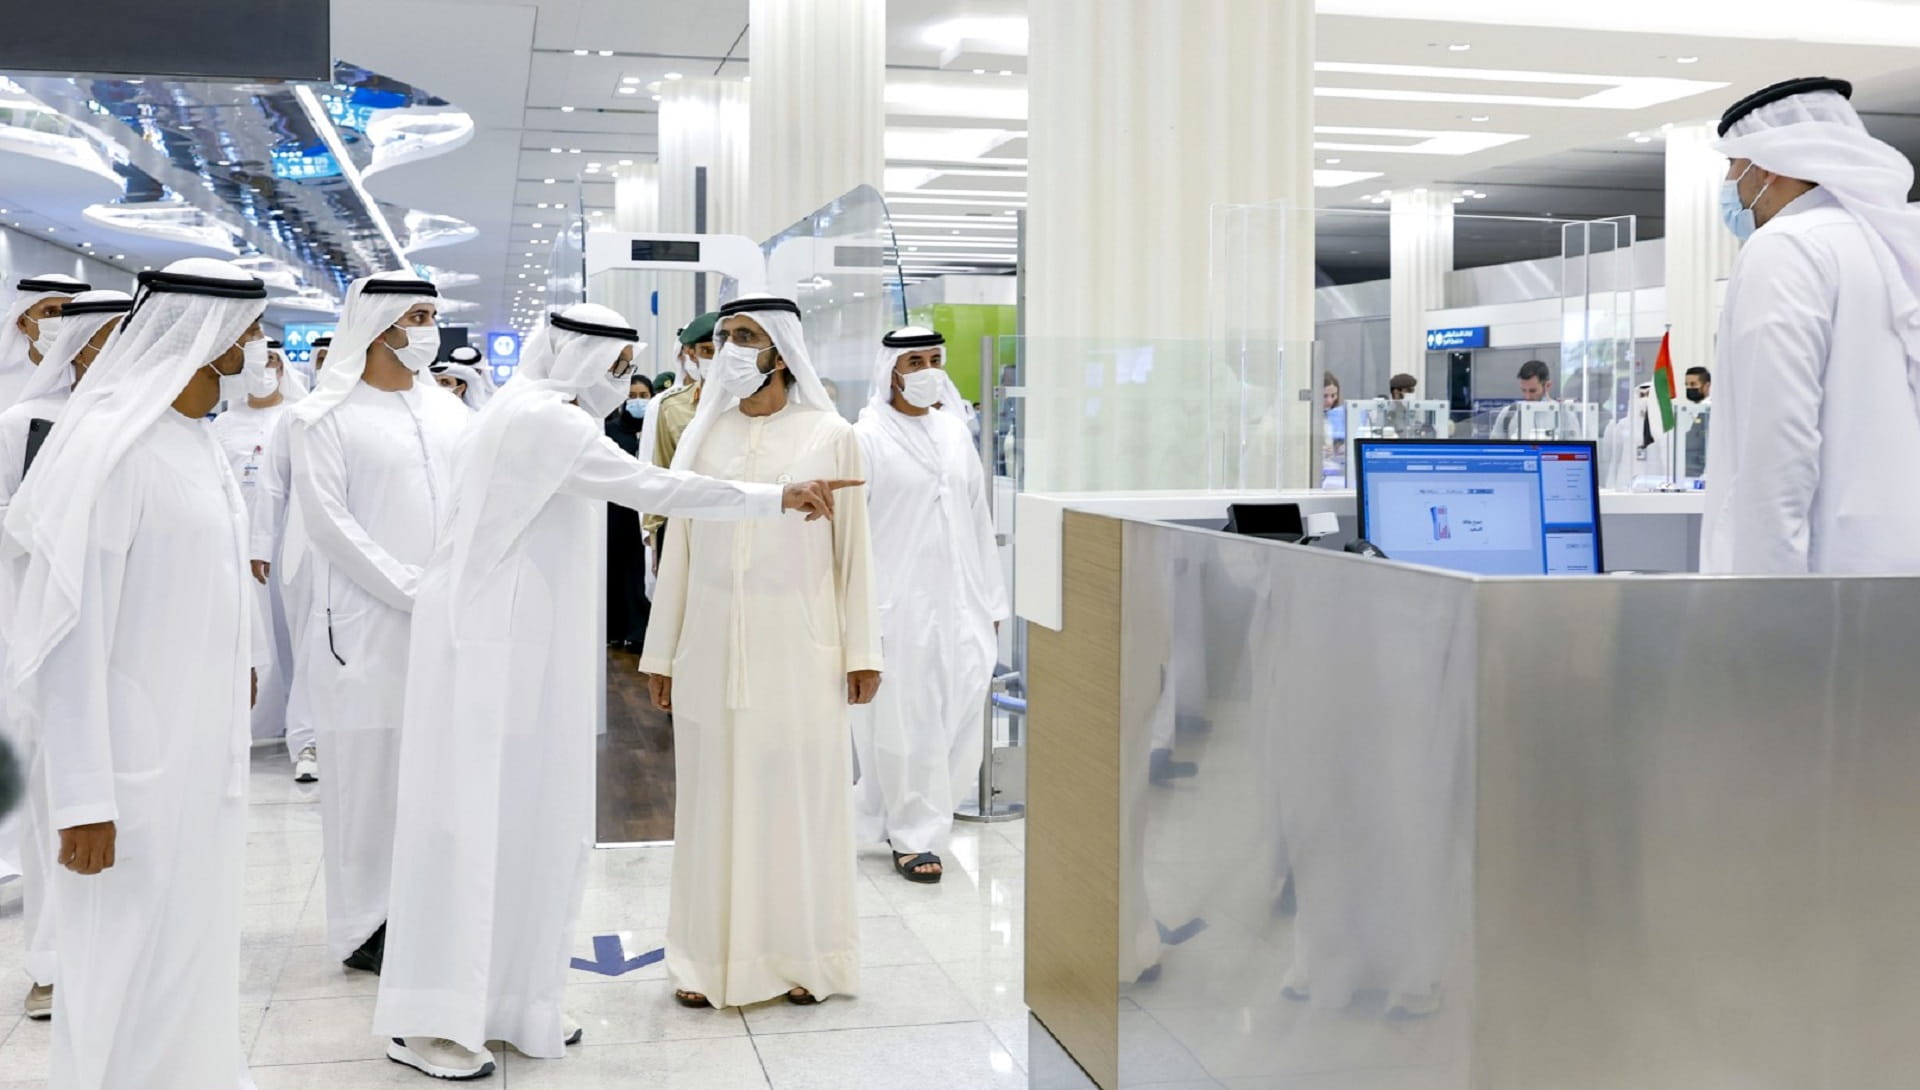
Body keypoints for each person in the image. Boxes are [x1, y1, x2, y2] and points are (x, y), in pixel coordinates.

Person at [374, 304, 857, 1078]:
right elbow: (654, 487)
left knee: (533, 826)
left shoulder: (528, 410)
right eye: (615, 365)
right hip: (486, 654)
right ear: (577, 360)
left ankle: (514, 1004)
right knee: (471, 828)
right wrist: (777, 497)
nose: (623, 380)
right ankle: (431, 1020)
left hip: (523, 651)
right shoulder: (544, 422)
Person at [1, 258, 268, 1088]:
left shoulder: (195, 438)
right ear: (206, 331)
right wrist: (84, 799)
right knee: (120, 968)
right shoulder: (115, 445)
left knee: (191, 950)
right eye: (249, 329)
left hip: (202, 757)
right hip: (131, 772)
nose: (258, 345)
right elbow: (68, 638)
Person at [639, 295, 881, 1010]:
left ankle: (808, 957)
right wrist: (664, 653)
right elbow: (677, 549)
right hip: (711, 646)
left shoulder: (830, 434)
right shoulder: (703, 441)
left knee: (799, 800)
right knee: (712, 800)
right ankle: (707, 961)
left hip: (801, 644)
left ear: (781, 350)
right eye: (724, 338)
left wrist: (861, 649)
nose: (732, 351)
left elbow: (854, 551)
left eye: (746, 337)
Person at [284, 272, 470, 974]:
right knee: (369, 778)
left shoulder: (449, 412)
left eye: (432, 314)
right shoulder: (323, 417)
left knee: (438, 768)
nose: (427, 328)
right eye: (415, 315)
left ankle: (428, 911)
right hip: (365, 627)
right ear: (380, 322)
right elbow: (330, 525)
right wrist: (411, 588)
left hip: (449, 617)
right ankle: (367, 924)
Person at [1701, 76, 1920, 574]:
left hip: (1822, 583)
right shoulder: (1892, 245)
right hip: (1897, 573)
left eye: (1734, 164)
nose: (1731, 182)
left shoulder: (1788, 247)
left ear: (1769, 167)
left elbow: (1779, 441)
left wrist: (1772, 603)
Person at [0, 289, 130, 1022]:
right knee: (54, 796)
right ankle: (50, 962)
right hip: (32, 630)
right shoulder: (24, 424)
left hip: (123, 643)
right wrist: (57, 527)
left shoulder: (134, 426)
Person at [851, 328, 1007, 883]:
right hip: (898, 604)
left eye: (935, 359)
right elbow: (852, 535)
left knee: (960, 714)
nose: (927, 369)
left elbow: (977, 516)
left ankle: (914, 814)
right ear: (890, 368)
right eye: (914, 360)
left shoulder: (953, 432)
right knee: (906, 721)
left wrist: (991, 597)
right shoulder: (865, 437)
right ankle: (914, 835)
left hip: (962, 600)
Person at [211, 341, 310, 768]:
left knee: (294, 633)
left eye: (272, 361)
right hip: (240, 545)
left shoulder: (295, 418)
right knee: (255, 639)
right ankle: (260, 724)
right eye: (258, 361)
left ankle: (302, 723)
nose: (265, 369)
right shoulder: (224, 424)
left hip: (293, 545)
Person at [638, 312, 719, 558]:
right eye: (707, 351)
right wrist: (653, 534)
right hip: (683, 520)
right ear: (691, 354)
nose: (715, 358)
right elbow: (658, 468)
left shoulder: (747, 404)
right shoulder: (669, 406)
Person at [606, 371, 654, 650]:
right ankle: (617, 628)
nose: (638, 401)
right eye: (632, 396)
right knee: (620, 570)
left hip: (647, 511)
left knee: (643, 571)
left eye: (643, 396)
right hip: (619, 513)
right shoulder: (612, 430)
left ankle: (641, 631)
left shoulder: (655, 428)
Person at [0, 274, 88, 411]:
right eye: (50, 312)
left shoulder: (91, 382)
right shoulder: (4, 380)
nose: (61, 321)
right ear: (23, 323)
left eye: (70, 313)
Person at [1492, 360, 1554, 438]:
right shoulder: (1508, 414)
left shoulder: (1563, 415)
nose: (1527, 397)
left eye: (1532, 391)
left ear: (1547, 386)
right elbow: (1495, 448)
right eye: (1523, 390)